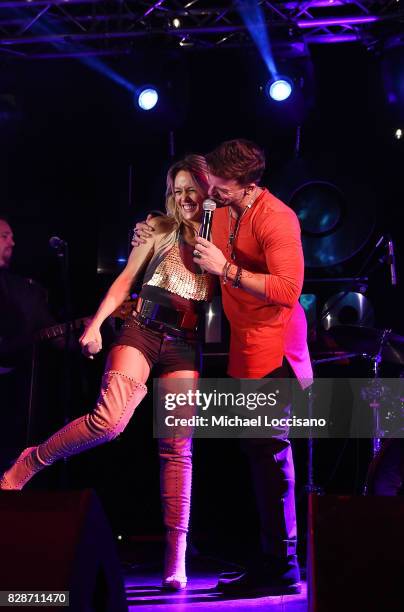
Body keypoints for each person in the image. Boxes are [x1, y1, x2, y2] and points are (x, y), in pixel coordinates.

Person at [0, 155, 214, 591]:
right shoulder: (157, 228)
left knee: (177, 449)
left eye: (192, 187)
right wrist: (97, 325)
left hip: (185, 347)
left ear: (209, 189)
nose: (184, 196)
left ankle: (176, 559)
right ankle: (31, 459)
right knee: (110, 421)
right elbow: (125, 280)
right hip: (142, 329)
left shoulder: (223, 233)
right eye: (176, 189)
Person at [133, 139, 313, 596]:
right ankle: (273, 557)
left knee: (271, 454)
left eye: (220, 187)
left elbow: (289, 289)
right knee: (256, 454)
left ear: (248, 184)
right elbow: (189, 231)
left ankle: (284, 563)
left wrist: (227, 269)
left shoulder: (277, 218)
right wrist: (151, 230)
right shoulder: (224, 207)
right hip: (245, 348)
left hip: (276, 352)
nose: (211, 193)